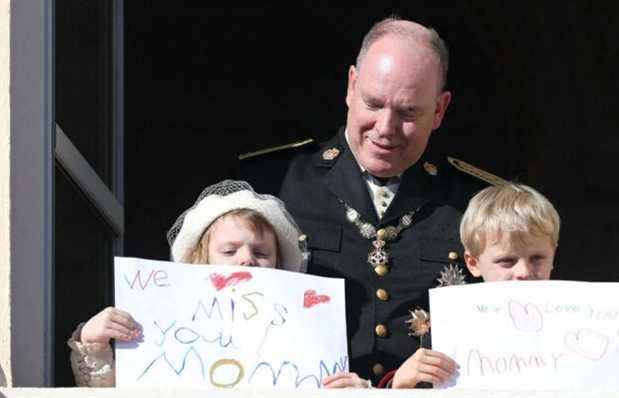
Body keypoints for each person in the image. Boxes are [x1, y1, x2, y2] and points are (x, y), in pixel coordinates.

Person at [240, 16, 497, 386]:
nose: (386, 128)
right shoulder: (270, 185)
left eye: (408, 112)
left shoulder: (476, 203)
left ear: (439, 110)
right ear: (351, 86)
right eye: (373, 104)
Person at [389, 183, 619, 390]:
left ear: (554, 254)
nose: (523, 272)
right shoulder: (446, 336)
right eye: (506, 261)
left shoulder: (593, 321)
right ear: (473, 262)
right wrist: (400, 386)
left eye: (537, 258)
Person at [67, 180, 308, 387]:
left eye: (261, 253)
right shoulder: (162, 324)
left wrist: (343, 390)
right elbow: (111, 390)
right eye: (229, 250)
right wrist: (93, 344)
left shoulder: (302, 331)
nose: (246, 259)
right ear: (200, 261)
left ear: (278, 265)